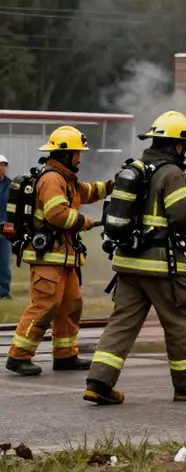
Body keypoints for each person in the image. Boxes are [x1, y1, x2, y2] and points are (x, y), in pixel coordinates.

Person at [84, 110, 186, 405]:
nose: (185, 150)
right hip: (160, 267)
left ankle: (98, 382)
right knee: (179, 323)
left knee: (121, 324)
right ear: (177, 145)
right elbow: (181, 215)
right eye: (185, 145)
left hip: (127, 264)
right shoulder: (172, 173)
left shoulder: (138, 168)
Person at [6, 128, 110, 376]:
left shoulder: (67, 180)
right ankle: (18, 356)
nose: (80, 158)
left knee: (70, 305)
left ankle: (65, 355)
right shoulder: (52, 179)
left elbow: (89, 192)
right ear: (66, 154)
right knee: (45, 306)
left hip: (65, 258)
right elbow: (57, 214)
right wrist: (84, 221)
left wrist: (114, 184)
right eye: (77, 153)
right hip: (47, 258)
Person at [0, 155, 11, 300]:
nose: (1, 168)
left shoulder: (11, 185)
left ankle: (4, 292)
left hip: (5, 229)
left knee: (4, 263)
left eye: (3, 165)